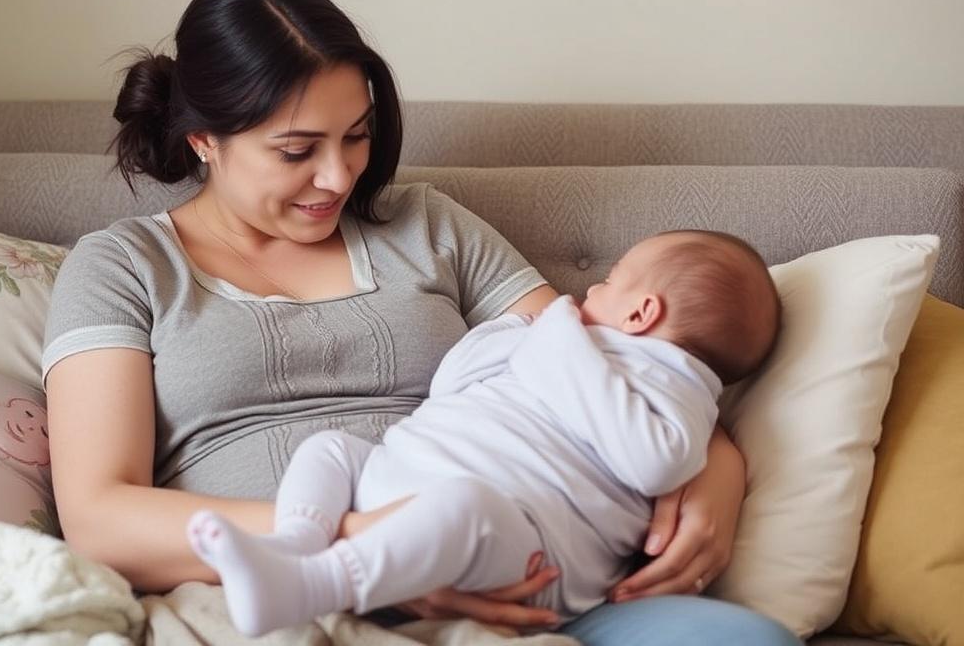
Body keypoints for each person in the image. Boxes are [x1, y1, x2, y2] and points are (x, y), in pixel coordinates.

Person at [42, 0, 802, 645]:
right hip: (273, 594)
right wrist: (374, 550)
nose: (338, 177)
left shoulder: (427, 226)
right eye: (297, 150)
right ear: (205, 139)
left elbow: (600, 356)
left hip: (520, 577)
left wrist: (719, 475)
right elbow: (100, 516)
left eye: (358, 136)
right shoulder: (121, 267)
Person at [185, 230, 782, 636]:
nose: (590, 290)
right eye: (297, 149)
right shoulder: (562, 342)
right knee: (329, 449)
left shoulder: (669, 391)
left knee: (464, 506)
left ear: (641, 313)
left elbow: (655, 463)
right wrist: (532, 334)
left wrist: (557, 333)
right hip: (411, 481)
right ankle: (292, 546)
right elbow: (455, 386)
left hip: (521, 547)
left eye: (611, 280)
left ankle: (316, 584)